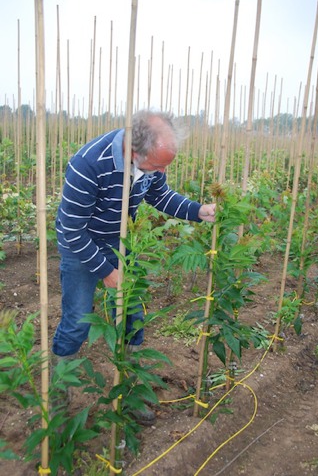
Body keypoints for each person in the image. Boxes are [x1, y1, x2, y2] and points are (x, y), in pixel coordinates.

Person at [52, 109, 216, 423]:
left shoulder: (152, 163)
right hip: (81, 244)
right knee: (77, 321)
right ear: (134, 150)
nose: (161, 170)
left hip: (121, 243)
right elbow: (71, 230)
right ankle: (59, 398)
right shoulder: (88, 163)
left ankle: (129, 391)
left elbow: (161, 195)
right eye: (157, 165)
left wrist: (198, 211)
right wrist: (106, 270)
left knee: (132, 316)